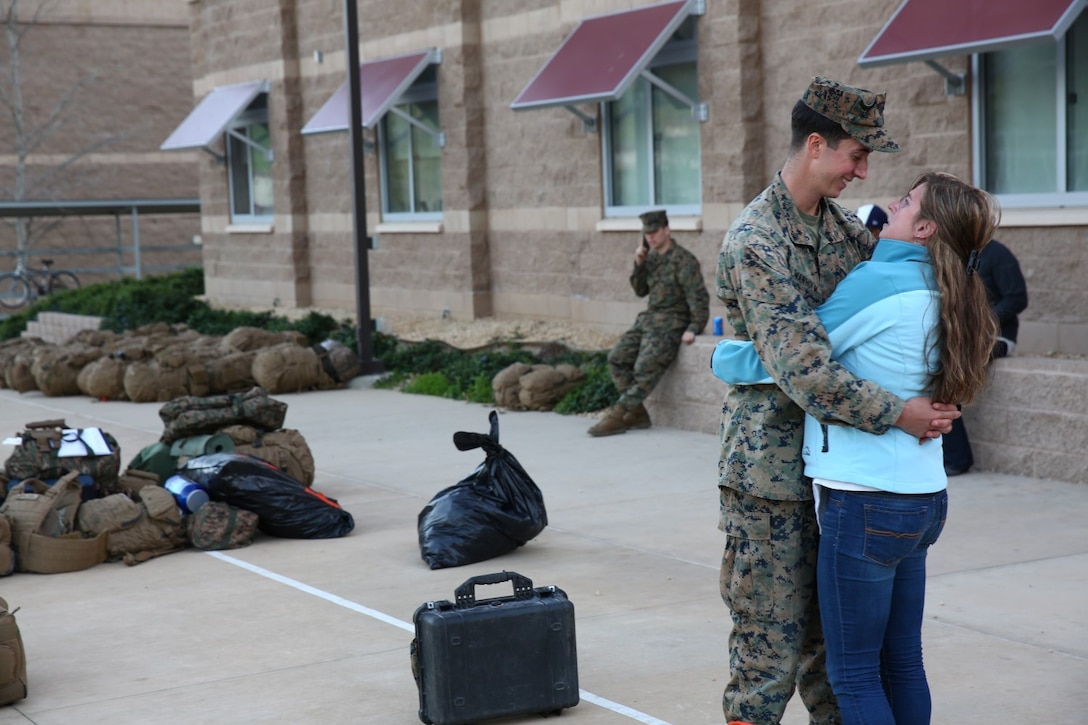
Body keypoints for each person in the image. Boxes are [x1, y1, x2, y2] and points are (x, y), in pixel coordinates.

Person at [714, 76, 959, 725]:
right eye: (856, 154)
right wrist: (898, 412)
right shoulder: (756, 241)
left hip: (844, 479)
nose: (863, 170)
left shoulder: (848, 233)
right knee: (766, 662)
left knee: (838, 664)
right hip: (771, 481)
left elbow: (894, 309)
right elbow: (803, 367)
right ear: (817, 144)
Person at [587, 209, 709, 437]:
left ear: (667, 230)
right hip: (649, 319)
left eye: (654, 232)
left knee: (644, 368)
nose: (650, 237)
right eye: (647, 234)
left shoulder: (684, 261)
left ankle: (618, 415)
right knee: (617, 358)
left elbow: (699, 299)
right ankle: (637, 414)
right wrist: (639, 264)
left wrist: (694, 327)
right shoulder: (650, 257)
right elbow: (640, 290)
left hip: (672, 322)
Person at [942, 238, 1028, 475]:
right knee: (939, 367)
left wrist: (982, 324)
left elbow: (1017, 298)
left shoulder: (998, 254)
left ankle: (956, 458)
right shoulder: (955, 253)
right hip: (964, 338)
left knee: (950, 368)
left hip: (998, 338)